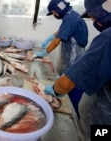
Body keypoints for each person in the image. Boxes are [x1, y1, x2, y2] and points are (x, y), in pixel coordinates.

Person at [44, 0, 111, 140]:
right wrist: (51, 36)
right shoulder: (72, 15)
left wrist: (54, 89)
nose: (92, 19)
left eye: (92, 15)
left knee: (75, 92)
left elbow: (68, 84)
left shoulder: (107, 38)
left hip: (102, 122)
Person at [34, 0, 88, 117]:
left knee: (73, 85)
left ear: (58, 10)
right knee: (68, 81)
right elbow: (61, 32)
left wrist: (44, 52)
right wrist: (49, 37)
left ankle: (74, 116)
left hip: (74, 56)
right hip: (71, 56)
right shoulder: (71, 14)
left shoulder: (69, 18)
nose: (54, 15)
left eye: (53, 12)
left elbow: (57, 41)